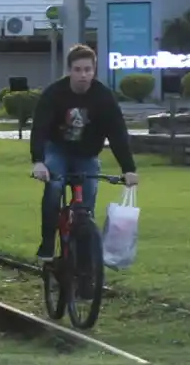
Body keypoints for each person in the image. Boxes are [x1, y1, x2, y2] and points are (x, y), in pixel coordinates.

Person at [28, 44, 140, 260]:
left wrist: (128, 169)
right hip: (58, 151)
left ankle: (86, 262)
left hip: (87, 155)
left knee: (87, 204)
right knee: (54, 188)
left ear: (94, 71)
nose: (83, 75)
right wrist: (38, 161)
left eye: (88, 69)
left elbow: (117, 133)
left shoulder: (103, 97)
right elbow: (40, 128)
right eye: (78, 69)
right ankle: (48, 243)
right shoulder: (54, 94)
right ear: (69, 70)